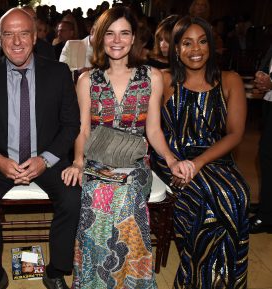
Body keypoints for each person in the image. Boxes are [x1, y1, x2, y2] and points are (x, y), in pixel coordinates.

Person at [61, 6, 192, 289]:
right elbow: (83, 130)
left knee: (125, 194)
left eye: (124, 33)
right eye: (110, 34)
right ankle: (94, 282)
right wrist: (77, 162)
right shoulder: (87, 80)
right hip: (97, 162)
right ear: (100, 39)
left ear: (134, 39)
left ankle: (130, 281)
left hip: (134, 165)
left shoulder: (151, 77)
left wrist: (170, 160)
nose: (117, 40)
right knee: (99, 192)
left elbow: (153, 130)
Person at [0, 8, 81, 289]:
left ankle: (55, 270)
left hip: (46, 159)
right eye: (8, 34)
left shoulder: (58, 72)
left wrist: (45, 160)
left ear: (35, 37)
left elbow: (71, 125)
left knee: (72, 198)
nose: (16, 41)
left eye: (23, 33)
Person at [151, 16, 249, 288]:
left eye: (202, 41)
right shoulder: (164, 80)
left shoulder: (230, 80)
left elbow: (235, 134)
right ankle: (195, 280)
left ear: (212, 45)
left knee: (235, 195)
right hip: (174, 158)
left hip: (215, 157)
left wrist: (200, 163)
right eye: (187, 43)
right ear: (175, 49)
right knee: (202, 200)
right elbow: (150, 126)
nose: (196, 49)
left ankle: (222, 281)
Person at [250, 46, 272, 233]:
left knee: (267, 155)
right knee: (265, 157)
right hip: (269, 101)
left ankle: (267, 216)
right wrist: (263, 74)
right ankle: (266, 204)